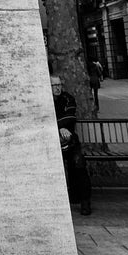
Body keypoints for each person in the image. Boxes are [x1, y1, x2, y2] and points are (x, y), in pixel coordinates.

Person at [50, 74, 92, 215]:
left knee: (78, 162)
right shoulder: (45, 100)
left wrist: (59, 126)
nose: (57, 88)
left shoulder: (68, 98)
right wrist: (59, 128)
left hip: (69, 140)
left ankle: (85, 201)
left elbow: (70, 117)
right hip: (51, 140)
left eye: (59, 85)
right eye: (54, 85)